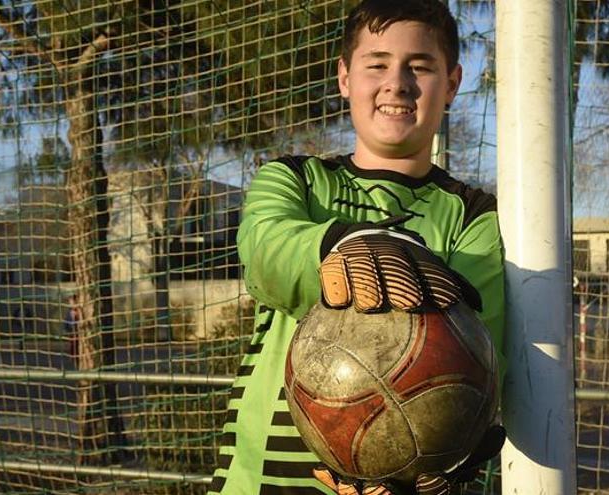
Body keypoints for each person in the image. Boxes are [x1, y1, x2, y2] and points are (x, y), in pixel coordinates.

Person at [208, 1, 506, 494]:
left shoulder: (474, 216)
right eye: (378, 64)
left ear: (451, 83)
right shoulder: (293, 179)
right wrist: (350, 244)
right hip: (259, 478)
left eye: (420, 66)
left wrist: (452, 449)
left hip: (394, 480)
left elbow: (483, 348)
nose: (398, 82)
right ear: (345, 77)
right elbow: (264, 251)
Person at [63, 295, 82, 368]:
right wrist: (66, 329)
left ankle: (78, 358)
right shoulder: (69, 312)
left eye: (72, 302)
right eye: (69, 302)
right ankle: (74, 359)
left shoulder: (79, 312)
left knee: (77, 345)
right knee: (72, 345)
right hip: (72, 332)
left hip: (78, 332)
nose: (70, 304)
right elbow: (66, 321)